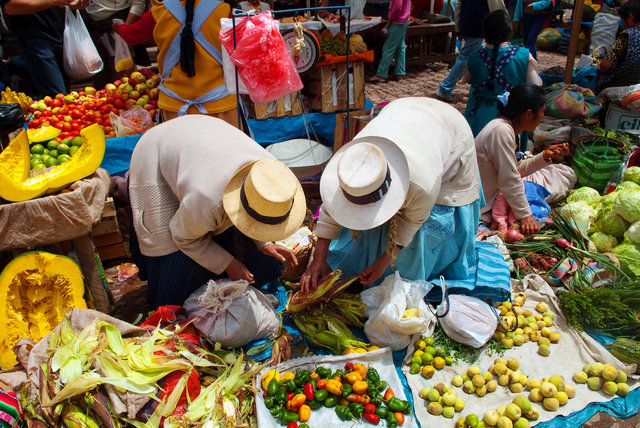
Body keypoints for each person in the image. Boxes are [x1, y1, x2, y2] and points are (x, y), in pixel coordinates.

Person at [300, 97, 481, 291]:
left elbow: (411, 223)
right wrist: (318, 260)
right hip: (402, 112)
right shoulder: (348, 165)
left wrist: (385, 260)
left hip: (450, 129)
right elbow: (330, 211)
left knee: (412, 252)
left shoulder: (421, 184)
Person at [128, 115, 306, 307]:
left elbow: (255, 207)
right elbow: (182, 236)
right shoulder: (207, 198)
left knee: (263, 263)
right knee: (173, 265)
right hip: (157, 150)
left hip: (202, 143)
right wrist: (228, 264)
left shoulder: (273, 175)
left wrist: (263, 243)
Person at [113, 0, 238, 125]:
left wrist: (119, 27)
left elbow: (131, 35)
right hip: (220, 105)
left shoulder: (159, 12)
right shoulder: (222, 10)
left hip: (175, 108)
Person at [475, 83, 569, 236]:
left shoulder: (507, 129)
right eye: (542, 112)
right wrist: (525, 215)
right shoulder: (501, 131)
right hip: (478, 209)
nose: (543, 117)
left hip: (488, 201)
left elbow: (514, 170)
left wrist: (545, 157)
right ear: (528, 114)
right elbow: (509, 178)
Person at [462, 9, 542, 136]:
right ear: (509, 30)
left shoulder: (475, 57)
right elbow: (536, 85)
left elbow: (466, 79)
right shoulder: (523, 56)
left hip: (478, 118)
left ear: (485, 33)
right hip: (511, 119)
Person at [2, 0, 89, 98]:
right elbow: (11, 7)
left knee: (65, 97)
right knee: (57, 96)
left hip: (60, 33)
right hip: (35, 39)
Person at [435, 0, 505, 101]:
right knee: (465, 58)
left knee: (481, 56)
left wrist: (458, 27)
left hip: (468, 24)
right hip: (477, 27)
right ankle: (445, 88)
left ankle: (481, 85)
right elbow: (497, 6)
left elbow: (459, 6)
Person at [82, 0, 150, 89]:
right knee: (100, 81)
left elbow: (139, 3)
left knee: (124, 82)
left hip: (118, 29)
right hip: (93, 29)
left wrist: (124, 30)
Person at [595, 0, 640, 94]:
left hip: (621, 86)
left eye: (622, 19)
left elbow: (605, 65)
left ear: (630, 17)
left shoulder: (626, 36)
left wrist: (597, 67)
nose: (622, 23)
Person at [367, 0, 410, 82]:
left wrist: (390, 19)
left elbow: (397, 7)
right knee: (400, 48)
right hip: (404, 19)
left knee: (388, 48)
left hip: (398, 20)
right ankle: (399, 73)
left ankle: (381, 74)